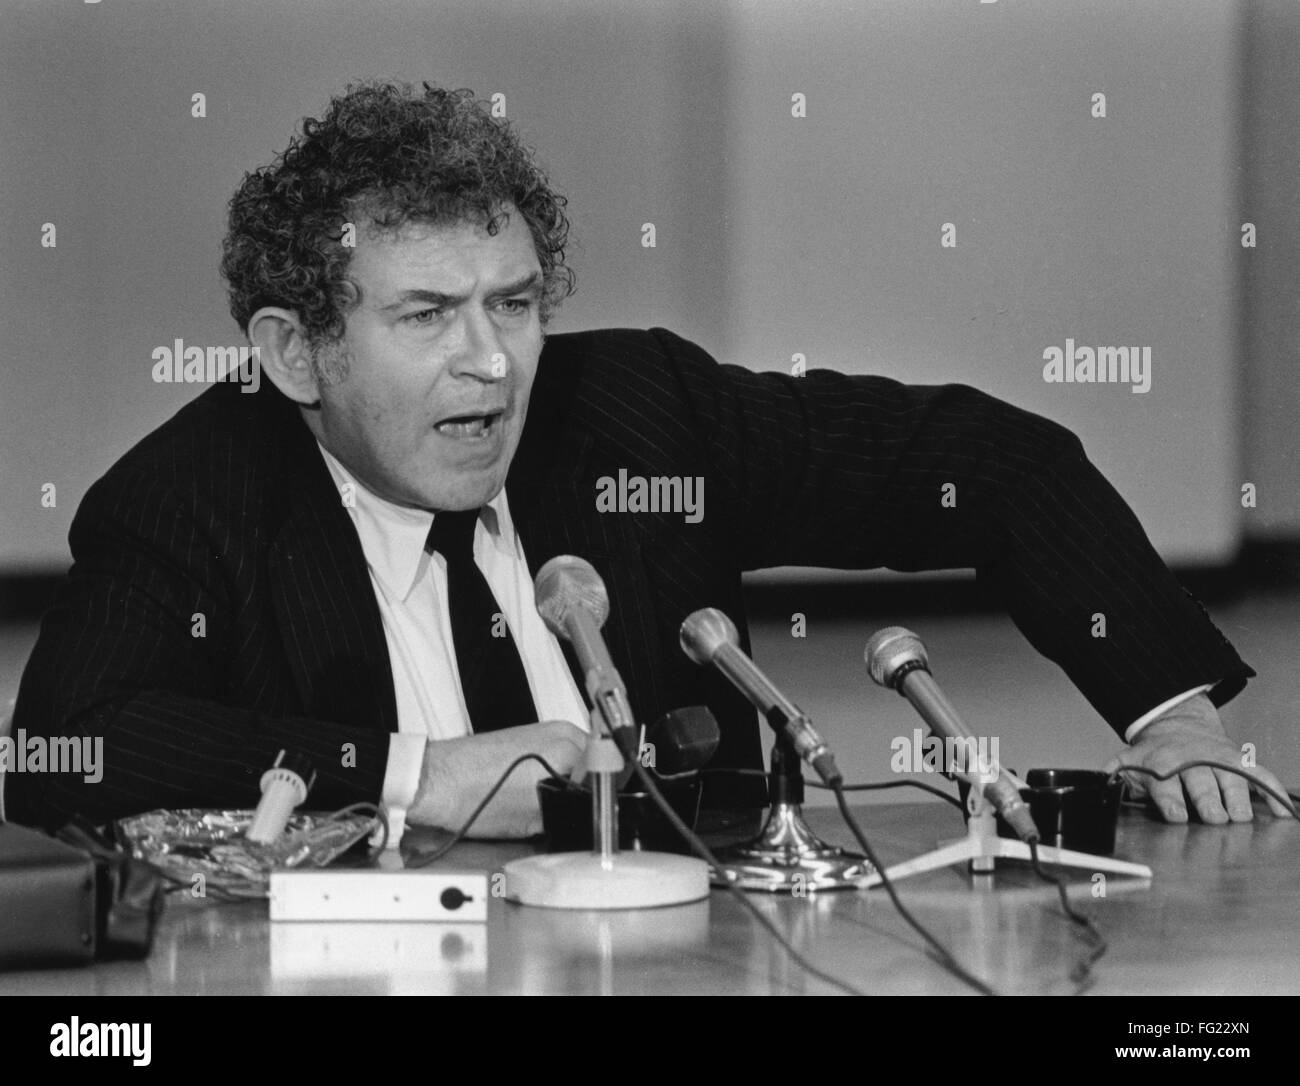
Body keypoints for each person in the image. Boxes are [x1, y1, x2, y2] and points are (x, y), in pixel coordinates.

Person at [8, 80, 1290, 838]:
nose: (493, 363)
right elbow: (63, 746)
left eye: (513, 304)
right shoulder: (195, 496)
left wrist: (1172, 720)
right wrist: (419, 777)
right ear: (296, 355)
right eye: (425, 317)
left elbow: (997, 465)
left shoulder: (636, 416)